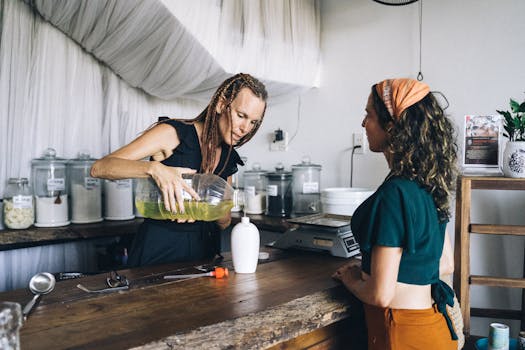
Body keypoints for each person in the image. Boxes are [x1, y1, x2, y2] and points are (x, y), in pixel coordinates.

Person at [332, 78, 458, 349]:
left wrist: (352, 278)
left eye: (369, 114)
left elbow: (381, 294)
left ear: (392, 126)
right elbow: (445, 263)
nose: (364, 123)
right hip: (433, 329)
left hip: (401, 334)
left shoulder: (395, 193)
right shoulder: (430, 184)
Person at [91, 73, 268, 267]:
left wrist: (205, 208)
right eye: (241, 115)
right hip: (158, 252)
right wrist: (155, 169)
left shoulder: (228, 155)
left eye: (253, 122)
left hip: (205, 256)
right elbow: (100, 168)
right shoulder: (174, 133)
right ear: (220, 104)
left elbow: (224, 222)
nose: (245, 128)